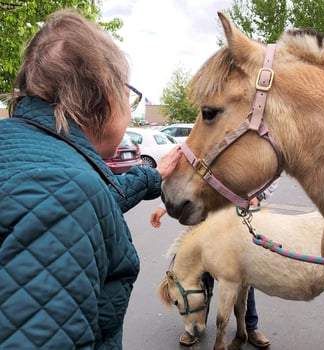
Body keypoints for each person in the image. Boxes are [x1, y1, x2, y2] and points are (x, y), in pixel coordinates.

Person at [0, 9, 182, 350]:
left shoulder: (28, 154)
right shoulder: (64, 192)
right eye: (130, 94)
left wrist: (152, 177)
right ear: (108, 93)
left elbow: (92, 203)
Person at [150, 181, 280, 348]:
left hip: (235, 221)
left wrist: (260, 194)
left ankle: (250, 327)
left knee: (243, 276)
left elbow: (272, 174)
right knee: (201, 277)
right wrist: (164, 206)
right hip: (204, 217)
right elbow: (183, 177)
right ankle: (196, 325)